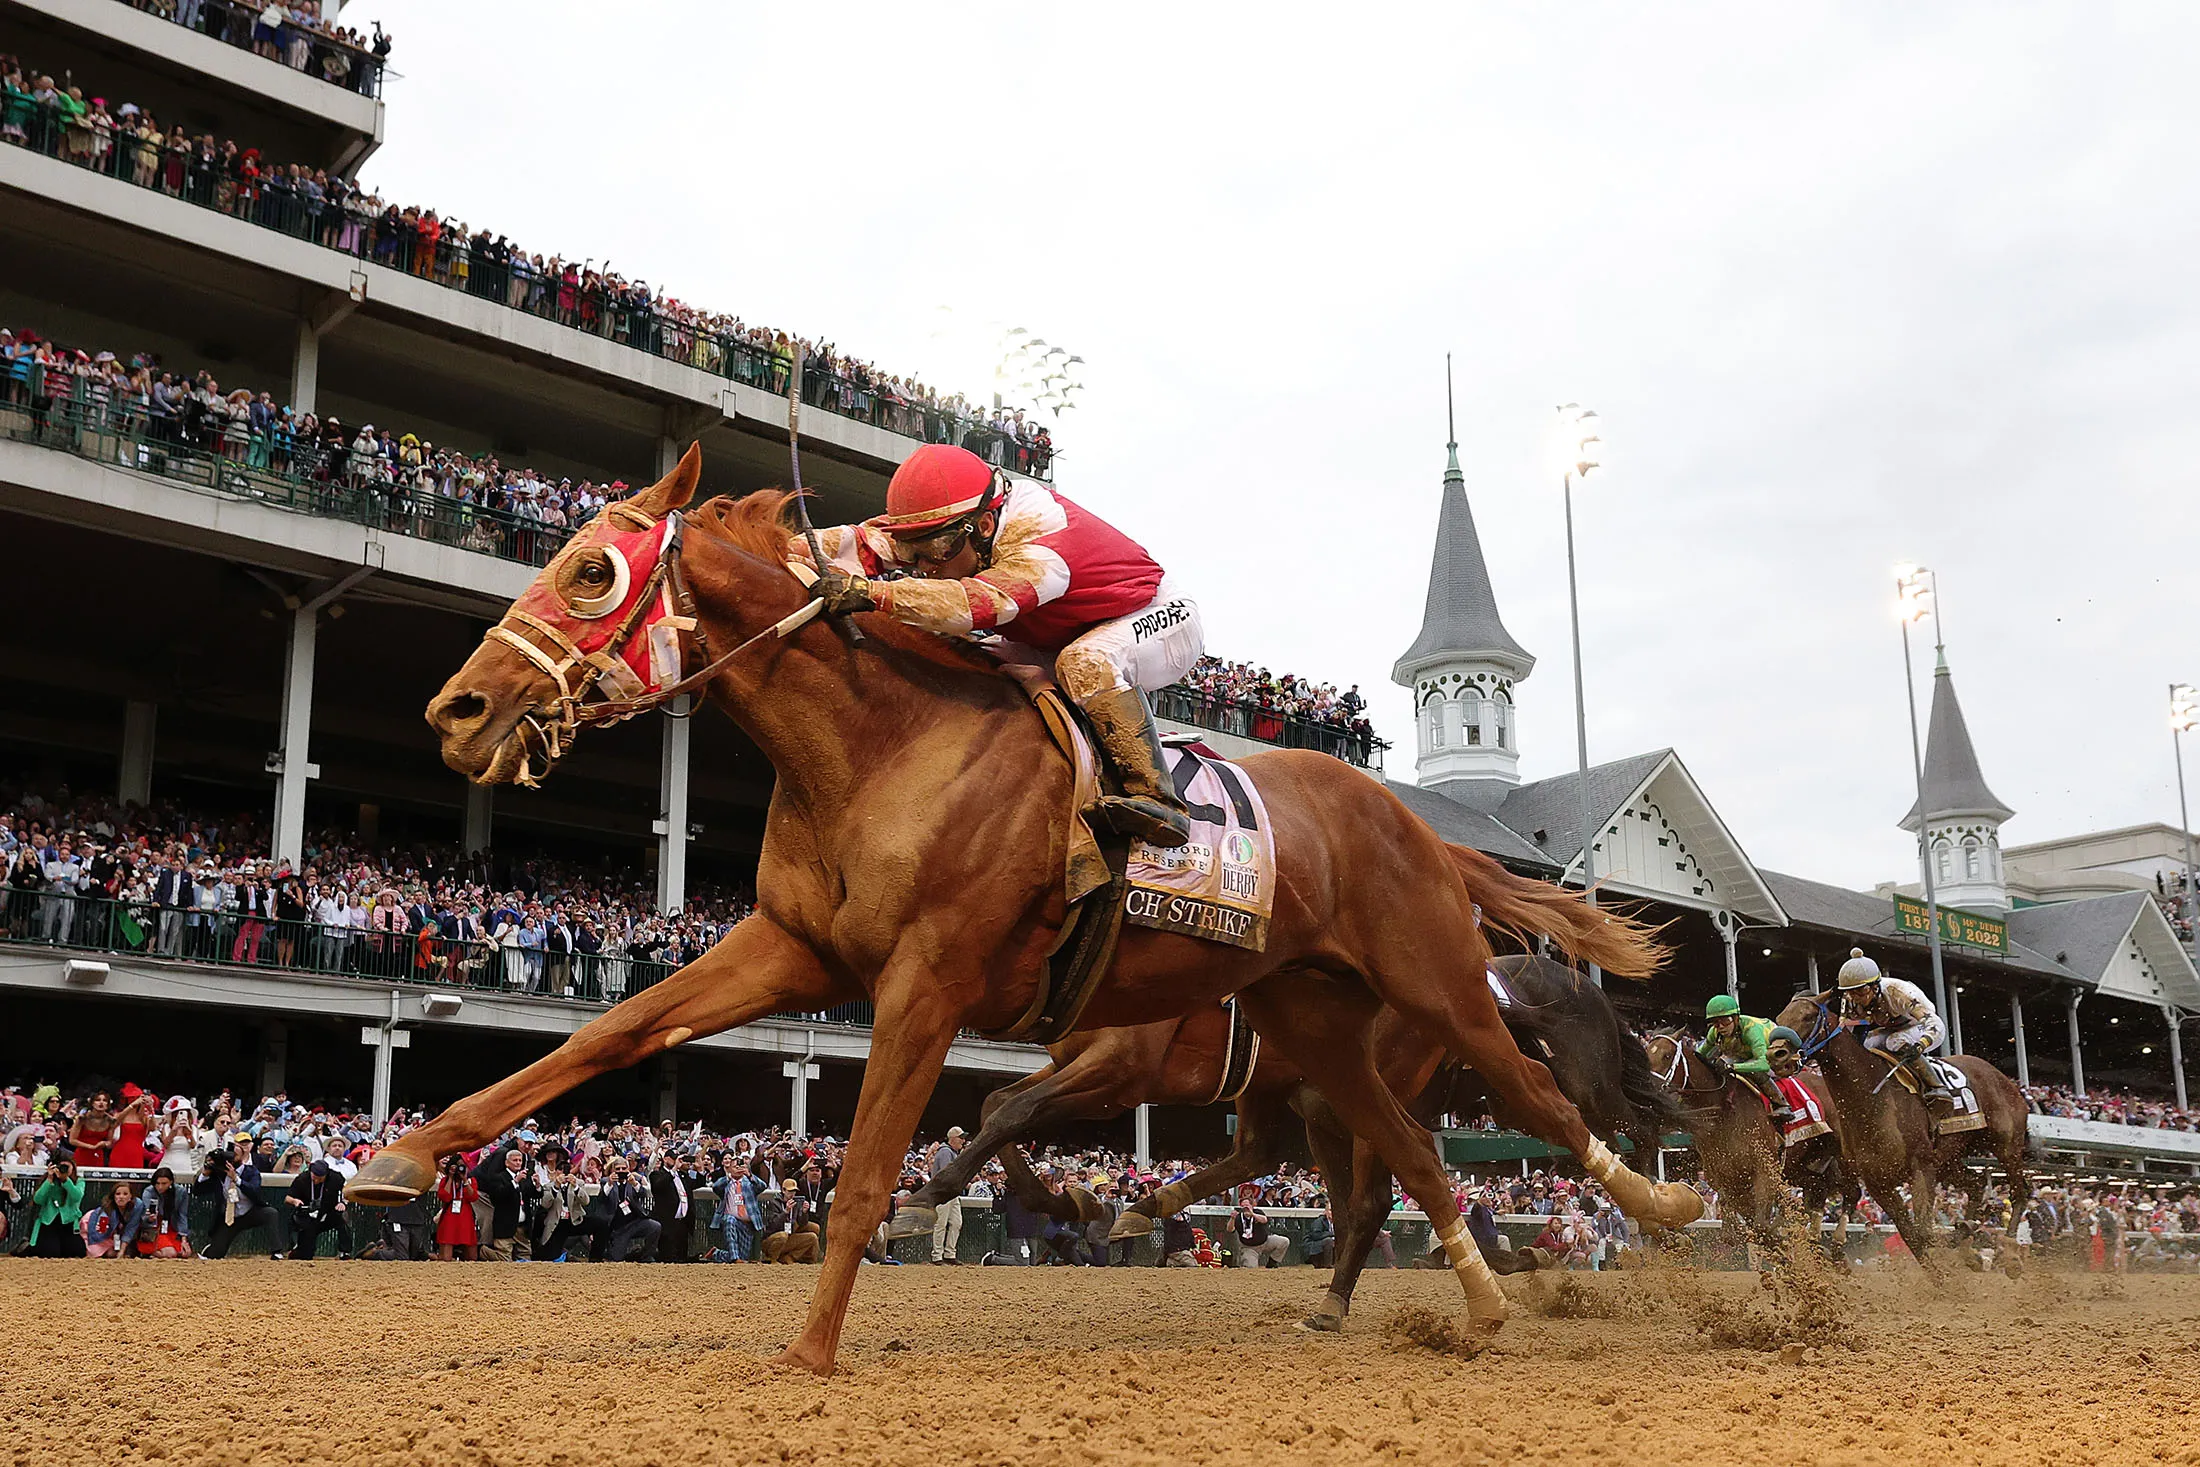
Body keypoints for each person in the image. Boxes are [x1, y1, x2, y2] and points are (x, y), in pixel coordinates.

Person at [805, 443, 1205, 846]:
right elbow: (863, 542)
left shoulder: (1041, 541)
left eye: (936, 551)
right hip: (1059, 630)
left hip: (1152, 613)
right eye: (913, 551)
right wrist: (779, 549)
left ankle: (1157, 799)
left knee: (1085, 660)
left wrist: (876, 594)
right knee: (968, 658)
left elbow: (974, 605)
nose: (925, 565)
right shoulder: (961, 520)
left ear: (981, 527)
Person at [1834, 948, 1951, 1103]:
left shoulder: (1899, 993)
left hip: (1924, 1026)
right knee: (1867, 1044)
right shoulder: (1849, 998)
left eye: (1861, 991)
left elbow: (1934, 1023)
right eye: (1850, 992)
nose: (1855, 998)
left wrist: (1920, 1045)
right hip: (1893, 1029)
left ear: (1875, 986)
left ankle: (1937, 1087)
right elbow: (1843, 1030)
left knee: (1894, 1041)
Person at [1697, 994, 1795, 1126]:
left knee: (1754, 1071)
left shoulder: (1751, 1030)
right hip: (1742, 1054)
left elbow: (1763, 1065)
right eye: (1715, 1022)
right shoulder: (1714, 1033)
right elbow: (1698, 1055)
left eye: (1725, 1021)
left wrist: (1734, 1068)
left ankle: (1782, 1105)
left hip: (1770, 1054)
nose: (1720, 1026)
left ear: (1736, 1018)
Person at [195, 1142, 279, 1258]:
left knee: (271, 1213)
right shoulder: (218, 1174)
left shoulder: (251, 1171)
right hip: (230, 1217)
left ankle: (277, 1252)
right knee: (215, 1254)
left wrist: (237, 1179)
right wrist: (205, 1174)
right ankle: (212, 1248)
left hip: (250, 1212)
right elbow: (198, 1191)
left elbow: (255, 1191)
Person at [285, 1159, 348, 1259]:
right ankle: (299, 1250)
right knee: (306, 1252)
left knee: (342, 1217)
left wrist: (343, 1202)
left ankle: (344, 1252)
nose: (317, 1180)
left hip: (328, 1214)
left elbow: (346, 1193)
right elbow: (287, 1198)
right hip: (308, 1217)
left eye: (320, 1178)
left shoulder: (336, 1178)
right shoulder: (302, 1179)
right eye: (315, 1177)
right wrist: (295, 1201)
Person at [27, 1159, 88, 1256]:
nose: (64, 1170)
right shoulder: (49, 1181)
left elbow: (76, 1197)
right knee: (51, 1253)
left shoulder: (79, 1181)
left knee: (77, 1253)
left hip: (69, 1223)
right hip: (48, 1223)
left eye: (67, 1167)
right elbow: (38, 1199)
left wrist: (66, 1180)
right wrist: (49, 1180)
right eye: (61, 1167)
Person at [925, 1126, 965, 1264]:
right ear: (953, 1139)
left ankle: (949, 1254)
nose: (963, 1140)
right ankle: (937, 1255)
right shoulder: (945, 1152)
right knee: (941, 1224)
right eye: (961, 1137)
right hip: (943, 1193)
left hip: (952, 1193)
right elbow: (946, 1174)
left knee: (956, 1222)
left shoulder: (952, 1152)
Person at [757, 1175, 818, 1263]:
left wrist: (804, 1212)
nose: (792, 1194)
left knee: (812, 1237)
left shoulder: (796, 1204)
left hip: (788, 1236)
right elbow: (772, 1226)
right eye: (789, 1191)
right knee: (782, 1236)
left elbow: (802, 1224)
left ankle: (790, 1258)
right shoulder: (774, 1203)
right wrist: (785, 1212)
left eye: (794, 1191)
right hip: (771, 1240)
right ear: (783, 1190)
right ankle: (772, 1259)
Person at [433, 1154, 480, 1261]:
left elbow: (473, 1197)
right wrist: (450, 1177)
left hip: (465, 1215)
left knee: (471, 1254)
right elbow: (444, 1197)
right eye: (458, 1166)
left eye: (463, 1166)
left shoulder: (471, 1180)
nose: (461, 1169)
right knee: (447, 1244)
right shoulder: (445, 1180)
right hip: (450, 1214)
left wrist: (465, 1180)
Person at [1230, 1186, 1290, 1268]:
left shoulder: (1257, 1212)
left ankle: (1272, 1262)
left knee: (1284, 1241)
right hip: (1249, 1247)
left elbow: (1264, 1220)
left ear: (1252, 1206)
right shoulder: (1238, 1217)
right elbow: (1230, 1229)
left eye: (1247, 1206)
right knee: (1251, 1267)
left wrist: (1253, 1214)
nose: (1245, 1209)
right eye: (1243, 1206)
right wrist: (1232, 1219)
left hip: (1265, 1241)